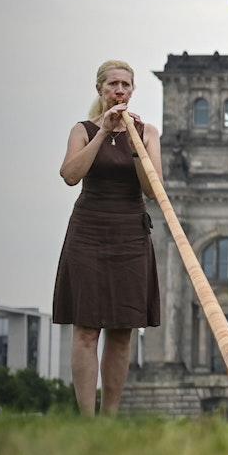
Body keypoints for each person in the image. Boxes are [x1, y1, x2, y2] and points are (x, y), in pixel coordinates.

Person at [54, 60, 163, 416]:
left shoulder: (147, 133)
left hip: (130, 232)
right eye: (113, 84)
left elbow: (153, 189)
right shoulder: (82, 130)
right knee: (86, 329)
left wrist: (133, 142)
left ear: (132, 91)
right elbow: (70, 175)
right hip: (89, 230)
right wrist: (103, 133)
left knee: (122, 329)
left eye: (125, 85)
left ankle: (109, 416)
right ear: (100, 89)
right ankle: (87, 418)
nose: (119, 90)